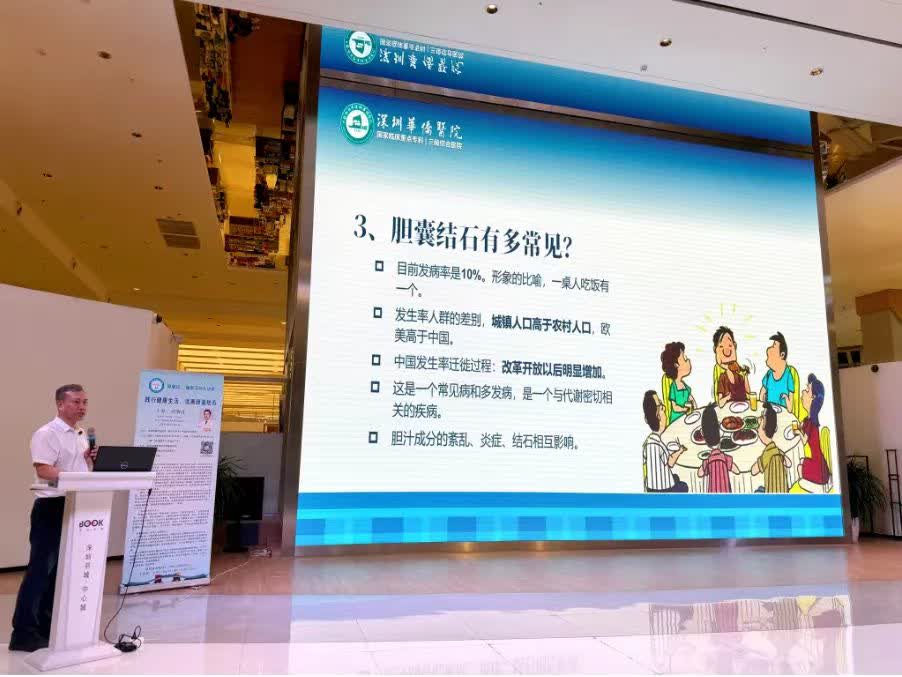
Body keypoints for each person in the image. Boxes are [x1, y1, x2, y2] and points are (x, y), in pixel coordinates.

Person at [10, 385, 97, 653]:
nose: (82, 407)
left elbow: (79, 472)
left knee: (60, 571)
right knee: (40, 571)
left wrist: (89, 461)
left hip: (76, 504)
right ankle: (24, 633)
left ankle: (46, 627)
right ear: (60, 404)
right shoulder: (47, 433)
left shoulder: (81, 435)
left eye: (85, 402)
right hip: (51, 507)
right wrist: (74, 475)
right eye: (76, 402)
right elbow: (44, 469)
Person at [642, 391, 688, 493]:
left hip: (650, 487)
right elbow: (670, 462)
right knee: (684, 486)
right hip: (665, 489)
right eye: (662, 408)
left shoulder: (647, 442)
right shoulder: (659, 445)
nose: (665, 409)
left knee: (676, 477)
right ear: (658, 416)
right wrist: (680, 450)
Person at [797, 374, 831, 485]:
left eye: (807, 390)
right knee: (800, 462)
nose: (803, 392)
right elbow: (802, 427)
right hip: (818, 462)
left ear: (813, 398)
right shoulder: (808, 419)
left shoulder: (812, 422)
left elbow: (804, 440)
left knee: (799, 468)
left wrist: (798, 432)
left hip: (819, 470)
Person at [697, 405, 739, 493]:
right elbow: (737, 471)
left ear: (703, 434)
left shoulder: (707, 460)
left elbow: (700, 474)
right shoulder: (725, 458)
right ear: (719, 431)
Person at [751, 403, 791, 493]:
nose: (757, 430)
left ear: (762, 429)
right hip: (784, 491)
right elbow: (789, 463)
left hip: (772, 494)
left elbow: (753, 471)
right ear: (775, 428)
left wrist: (761, 459)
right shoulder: (777, 451)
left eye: (758, 427)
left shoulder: (767, 454)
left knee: (757, 491)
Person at [661, 341, 696, 424]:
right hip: (676, 421)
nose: (688, 360)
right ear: (676, 365)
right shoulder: (673, 387)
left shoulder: (685, 386)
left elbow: (691, 399)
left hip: (686, 418)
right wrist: (685, 409)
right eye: (685, 358)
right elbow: (675, 407)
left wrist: (695, 409)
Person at [713, 326, 750, 406]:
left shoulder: (740, 377)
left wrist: (745, 376)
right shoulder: (722, 377)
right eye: (721, 346)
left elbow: (749, 395)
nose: (727, 351)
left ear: (734, 346)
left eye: (730, 345)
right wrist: (728, 397)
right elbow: (720, 403)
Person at [760, 332, 795, 410]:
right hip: (769, 412)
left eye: (774, 346)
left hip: (782, 414)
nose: (770, 349)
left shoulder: (788, 376)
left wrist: (786, 398)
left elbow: (790, 409)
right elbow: (761, 396)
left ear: (782, 355)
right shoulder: (769, 374)